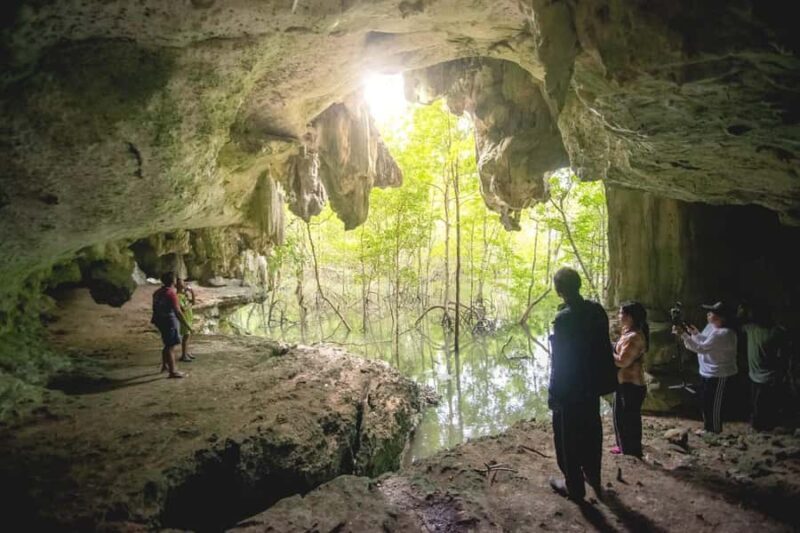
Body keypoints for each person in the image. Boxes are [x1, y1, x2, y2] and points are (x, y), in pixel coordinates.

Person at [548, 267, 616, 501]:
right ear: (578, 285)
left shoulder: (563, 319)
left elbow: (560, 362)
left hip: (570, 390)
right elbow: (603, 349)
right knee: (591, 429)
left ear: (559, 290)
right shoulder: (596, 311)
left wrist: (554, 393)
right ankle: (593, 474)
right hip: (592, 387)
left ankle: (574, 486)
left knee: (567, 437)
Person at [675, 301, 737, 434]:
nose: (708, 314)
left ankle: (714, 431)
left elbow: (701, 348)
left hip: (719, 374)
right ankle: (708, 428)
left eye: (712, 313)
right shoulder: (712, 327)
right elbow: (704, 341)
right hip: (707, 372)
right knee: (706, 401)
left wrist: (684, 335)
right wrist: (695, 333)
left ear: (722, 318)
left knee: (714, 404)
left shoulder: (724, 333)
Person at [610, 301, 649, 457]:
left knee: (629, 421)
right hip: (623, 382)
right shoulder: (628, 332)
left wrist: (605, 350)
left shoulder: (634, 337)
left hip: (632, 385)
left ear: (631, 317)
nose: (619, 316)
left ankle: (632, 452)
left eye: (622, 313)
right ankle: (623, 447)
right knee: (620, 417)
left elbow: (622, 361)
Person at [739, 301, 785, 431]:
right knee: (757, 402)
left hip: (769, 375)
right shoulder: (751, 328)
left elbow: (785, 355)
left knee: (763, 404)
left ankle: (763, 426)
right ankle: (760, 425)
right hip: (756, 374)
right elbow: (735, 324)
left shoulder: (776, 331)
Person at [151, 271, 192, 379]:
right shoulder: (171, 293)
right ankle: (173, 371)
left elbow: (154, 308)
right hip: (169, 321)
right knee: (171, 346)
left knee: (166, 344)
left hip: (159, 320)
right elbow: (178, 312)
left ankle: (165, 366)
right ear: (173, 281)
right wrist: (187, 325)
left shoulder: (157, 292)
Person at [176, 278, 196, 363]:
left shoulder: (184, 295)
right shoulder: (178, 296)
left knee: (188, 336)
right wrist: (189, 304)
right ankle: (184, 355)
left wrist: (192, 292)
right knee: (185, 337)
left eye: (183, 283)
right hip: (185, 318)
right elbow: (183, 309)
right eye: (181, 283)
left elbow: (193, 302)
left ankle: (186, 353)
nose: (184, 284)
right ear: (176, 286)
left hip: (189, 317)